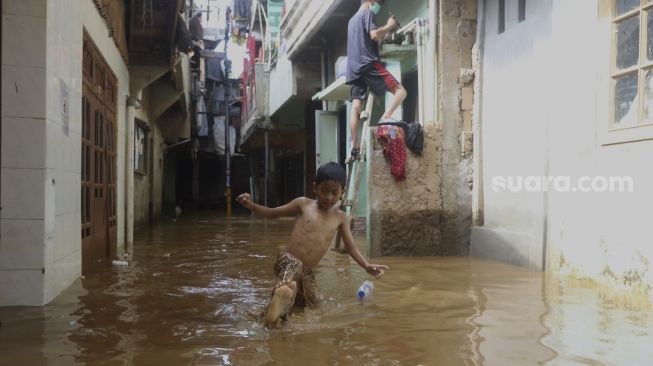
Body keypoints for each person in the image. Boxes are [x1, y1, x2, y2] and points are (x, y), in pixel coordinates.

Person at [236, 162, 389, 327]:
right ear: (315, 188)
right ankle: (281, 296)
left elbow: (351, 248)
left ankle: (278, 310)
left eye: (334, 192)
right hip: (288, 260)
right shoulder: (303, 204)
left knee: (318, 305)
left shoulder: (341, 218)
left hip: (307, 272)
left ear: (342, 193)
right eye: (324, 191)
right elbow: (272, 213)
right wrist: (250, 205)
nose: (329, 197)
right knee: (291, 273)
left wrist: (366, 265)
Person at [346, 0, 408, 160]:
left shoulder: (351, 21)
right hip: (369, 64)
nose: (378, 5)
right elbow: (374, 34)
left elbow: (367, 39)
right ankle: (386, 117)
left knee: (356, 107)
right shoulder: (367, 13)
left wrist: (383, 33)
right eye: (378, 2)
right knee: (401, 91)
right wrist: (389, 25)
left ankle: (355, 146)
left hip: (354, 68)